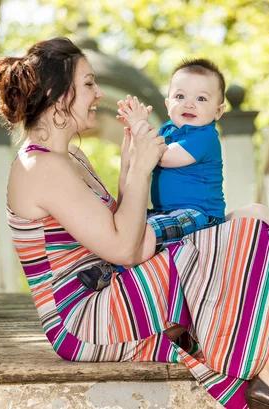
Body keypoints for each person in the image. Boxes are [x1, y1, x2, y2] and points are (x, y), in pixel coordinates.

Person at [0, 36, 269, 409]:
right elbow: (125, 249)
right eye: (87, 84)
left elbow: (118, 225)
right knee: (235, 237)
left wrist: (131, 163)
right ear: (57, 95)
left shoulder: (67, 160)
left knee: (253, 215)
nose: (98, 93)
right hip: (84, 321)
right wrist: (141, 172)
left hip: (112, 291)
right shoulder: (41, 167)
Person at [77, 58, 227, 291]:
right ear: (168, 104)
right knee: (128, 225)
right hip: (167, 213)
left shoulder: (204, 137)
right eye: (180, 97)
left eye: (201, 98)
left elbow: (164, 156)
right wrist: (131, 138)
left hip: (200, 215)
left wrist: (141, 128)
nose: (189, 104)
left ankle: (112, 270)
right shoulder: (167, 131)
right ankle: (109, 265)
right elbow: (138, 161)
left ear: (218, 111)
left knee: (148, 231)